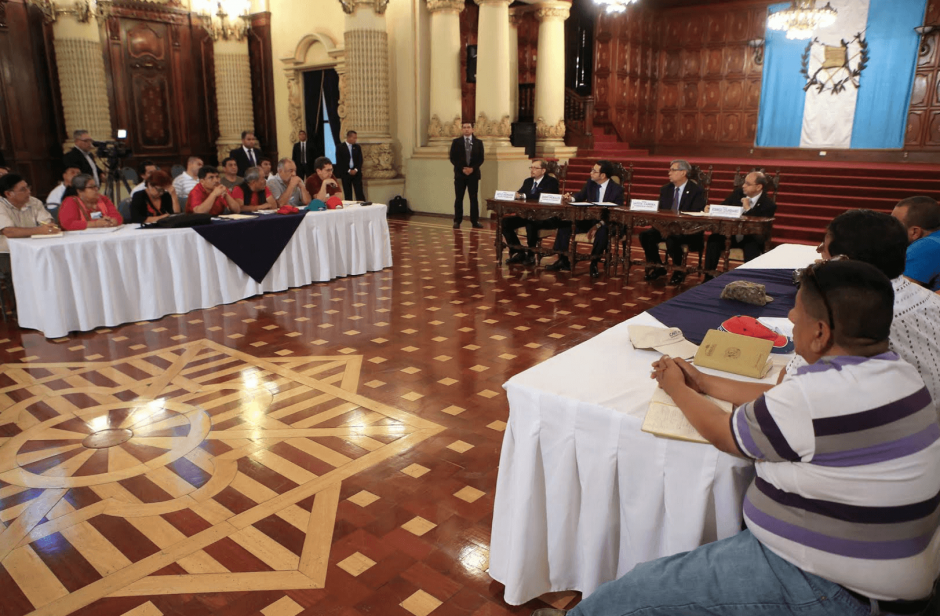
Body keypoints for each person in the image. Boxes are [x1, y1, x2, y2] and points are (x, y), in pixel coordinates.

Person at [538, 260, 940, 616]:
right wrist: (701, 380)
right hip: (883, 574)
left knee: (637, 591)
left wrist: (676, 387)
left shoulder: (814, 396)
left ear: (819, 333)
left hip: (830, 586)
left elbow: (725, 435)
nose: (789, 316)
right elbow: (779, 401)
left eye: (796, 315)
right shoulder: (896, 374)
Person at [787, 208, 940, 418]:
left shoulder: (848, 316)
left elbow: (789, 389)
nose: (819, 253)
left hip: (883, 430)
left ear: (841, 261)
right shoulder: (931, 299)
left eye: (823, 247)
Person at [545, 160, 624, 278]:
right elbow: (580, 195)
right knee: (564, 225)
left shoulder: (617, 189)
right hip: (590, 219)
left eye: (594, 171)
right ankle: (563, 259)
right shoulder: (590, 183)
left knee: (602, 232)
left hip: (608, 222)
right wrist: (570, 199)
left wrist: (599, 225)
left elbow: (616, 214)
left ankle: (594, 262)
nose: (591, 173)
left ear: (602, 175)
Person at [639, 159, 706, 285]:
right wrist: (663, 227)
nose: (669, 173)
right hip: (666, 227)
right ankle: (659, 266)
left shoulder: (696, 190)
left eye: (673, 170)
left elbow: (696, 214)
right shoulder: (666, 189)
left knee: (672, 239)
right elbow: (661, 210)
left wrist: (674, 228)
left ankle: (678, 270)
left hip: (688, 230)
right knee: (645, 235)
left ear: (683, 173)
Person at [702, 171, 776, 280]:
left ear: (759, 187)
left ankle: (749, 280)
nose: (743, 186)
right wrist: (711, 209)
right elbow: (723, 206)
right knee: (714, 239)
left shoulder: (768, 205)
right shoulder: (738, 193)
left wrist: (748, 209)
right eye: (744, 183)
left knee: (751, 245)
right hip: (732, 234)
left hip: (752, 237)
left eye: (747, 184)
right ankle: (708, 277)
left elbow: (757, 226)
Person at [504, 159, 560, 266]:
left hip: (545, 216)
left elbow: (543, 196)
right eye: (531, 167)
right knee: (505, 222)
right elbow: (519, 193)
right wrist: (515, 195)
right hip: (527, 214)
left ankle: (531, 255)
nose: (532, 170)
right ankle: (518, 252)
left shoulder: (551, 182)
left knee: (531, 222)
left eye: (535, 168)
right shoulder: (528, 181)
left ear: (543, 170)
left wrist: (523, 196)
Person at [0, 174, 60, 267]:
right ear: (8, 194)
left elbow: (47, 222)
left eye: (28, 187)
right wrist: (40, 230)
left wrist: (50, 227)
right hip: (6, 254)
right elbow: (8, 231)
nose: (29, 191)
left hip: (33, 249)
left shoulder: (34, 202)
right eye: (23, 189)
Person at [892, 195, 940, 291]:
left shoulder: (925, 246)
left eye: (895, 224)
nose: (890, 229)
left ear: (915, 232)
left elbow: (900, 294)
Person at [449, 122, 484, 229]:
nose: (466, 129)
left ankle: (475, 221)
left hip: (473, 175)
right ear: (461, 129)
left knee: (473, 198)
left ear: (473, 129)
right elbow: (452, 158)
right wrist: (462, 168)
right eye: (464, 127)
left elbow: (481, 158)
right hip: (460, 174)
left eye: (468, 127)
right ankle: (457, 221)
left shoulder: (478, 142)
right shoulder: (456, 142)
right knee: (459, 198)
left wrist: (472, 168)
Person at [335, 129, 366, 201]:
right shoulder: (340, 147)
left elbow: (360, 160)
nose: (355, 139)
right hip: (345, 174)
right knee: (348, 193)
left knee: (359, 192)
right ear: (349, 137)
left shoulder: (357, 147)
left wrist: (355, 170)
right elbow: (340, 161)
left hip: (357, 173)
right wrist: (349, 170)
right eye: (354, 138)